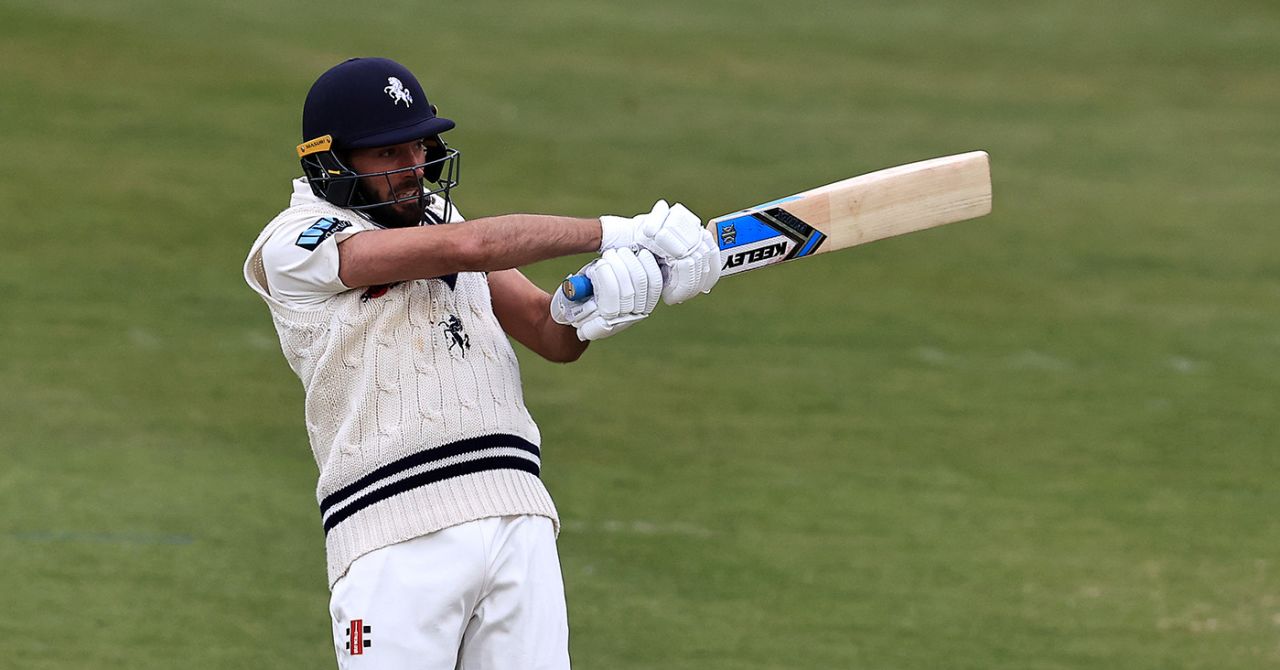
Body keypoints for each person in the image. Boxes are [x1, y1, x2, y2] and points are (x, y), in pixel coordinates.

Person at [242, 57, 720, 669]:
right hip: (394, 527)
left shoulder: (440, 219)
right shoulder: (293, 243)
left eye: (417, 146)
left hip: (516, 511)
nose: (412, 168)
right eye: (387, 155)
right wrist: (620, 231)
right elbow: (471, 247)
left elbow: (552, 336)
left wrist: (602, 300)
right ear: (330, 163)